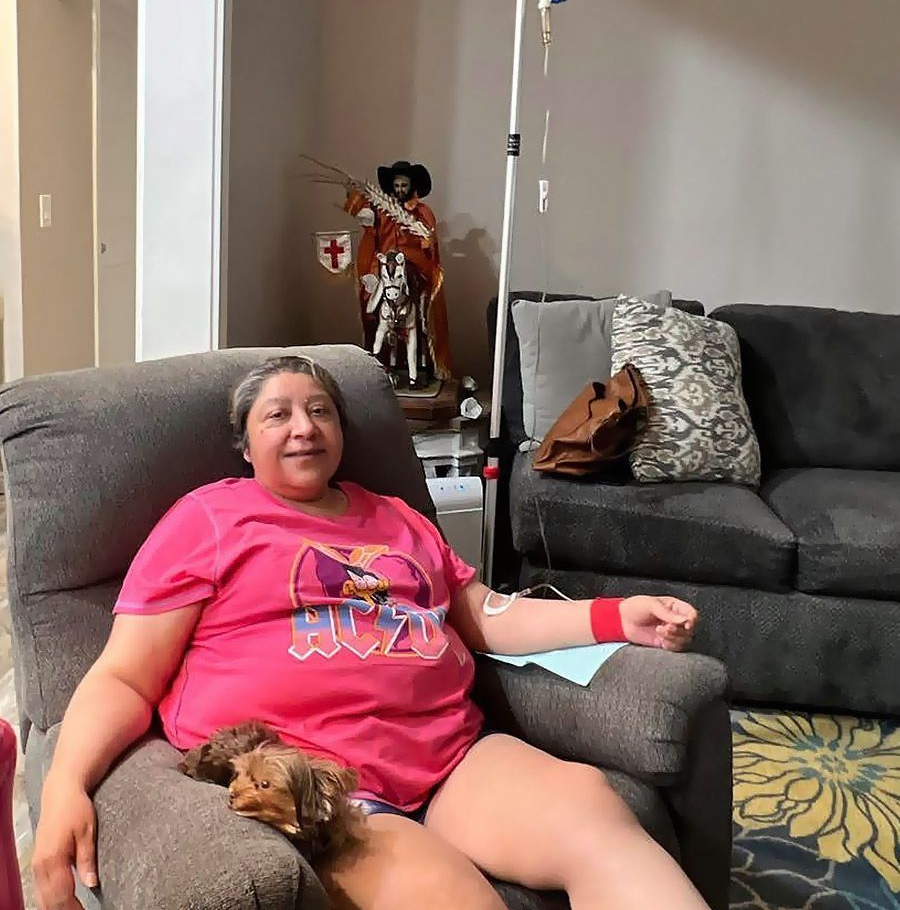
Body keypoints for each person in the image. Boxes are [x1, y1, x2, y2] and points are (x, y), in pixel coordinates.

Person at [32, 355, 709, 910]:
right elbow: (125, 675)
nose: (304, 426)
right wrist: (66, 783)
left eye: (320, 410)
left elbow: (484, 615)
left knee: (593, 813)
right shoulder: (208, 519)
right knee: (455, 899)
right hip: (322, 780)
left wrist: (617, 617)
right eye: (279, 414)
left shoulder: (399, 518)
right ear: (245, 444)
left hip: (449, 758)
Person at [345, 160, 453, 383]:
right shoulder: (380, 209)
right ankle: (380, 358)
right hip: (383, 264)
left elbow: (430, 245)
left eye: (404, 185)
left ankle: (421, 325)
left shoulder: (422, 212)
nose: (400, 189)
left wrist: (426, 241)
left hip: (414, 265)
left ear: (411, 185)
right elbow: (370, 233)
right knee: (371, 297)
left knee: (420, 294)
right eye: (397, 185)